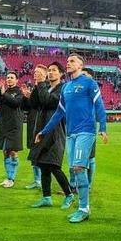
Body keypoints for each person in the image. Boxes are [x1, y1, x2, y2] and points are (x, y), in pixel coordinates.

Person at [36, 54, 108, 223]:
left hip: (86, 131)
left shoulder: (89, 83)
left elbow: (99, 105)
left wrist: (103, 127)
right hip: (70, 133)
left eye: (72, 61)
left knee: (78, 168)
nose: (68, 63)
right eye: (67, 61)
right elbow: (59, 113)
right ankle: (81, 206)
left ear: (81, 65)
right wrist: (44, 131)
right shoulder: (67, 87)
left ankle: (84, 208)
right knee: (74, 169)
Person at [28, 61, 74, 208]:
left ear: (61, 73)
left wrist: (40, 84)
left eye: (54, 70)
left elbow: (48, 101)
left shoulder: (63, 89)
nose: (50, 72)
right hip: (42, 130)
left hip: (55, 131)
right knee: (43, 165)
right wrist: (38, 85)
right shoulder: (46, 88)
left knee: (54, 165)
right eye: (49, 70)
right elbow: (34, 103)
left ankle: (69, 195)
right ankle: (46, 197)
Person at [0, 71, 24, 188]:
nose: (9, 79)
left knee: (13, 151)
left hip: (14, 126)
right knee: (5, 152)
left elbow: (16, 103)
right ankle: (8, 177)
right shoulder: (3, 92)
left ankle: (12, 178)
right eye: (8, 77)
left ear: (17, 80)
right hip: (3, 125)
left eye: (12, 78)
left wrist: (4, 93)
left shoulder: (19, 92)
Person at [22, 65, 47, 190]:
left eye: (38, 72)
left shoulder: (46, 87)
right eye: (35, 72)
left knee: (40, 154)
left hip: (41, 125)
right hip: (32, 124)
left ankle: (42, 180)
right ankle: (37, 180)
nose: (35, 74)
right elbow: (29, 107)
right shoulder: (36, 88)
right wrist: (27, 98)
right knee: (33, 153)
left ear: (44, 74)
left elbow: (43, 103)